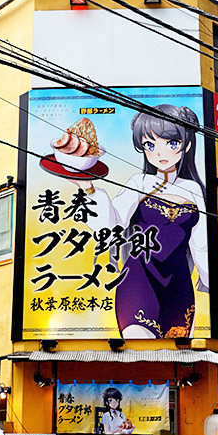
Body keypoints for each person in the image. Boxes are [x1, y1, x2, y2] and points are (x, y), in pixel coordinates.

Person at [76, 105, 209, 338]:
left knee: (173, 359)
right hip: (138, 282)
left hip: (179, 287)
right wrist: (88, 188)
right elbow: (112, 226)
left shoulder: (195, 190)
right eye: (150, 145)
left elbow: (202, 246)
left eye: (171, 143)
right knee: (138, 343)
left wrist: (214, 285)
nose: (160, 153)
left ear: (187, 144)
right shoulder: (139, 183)